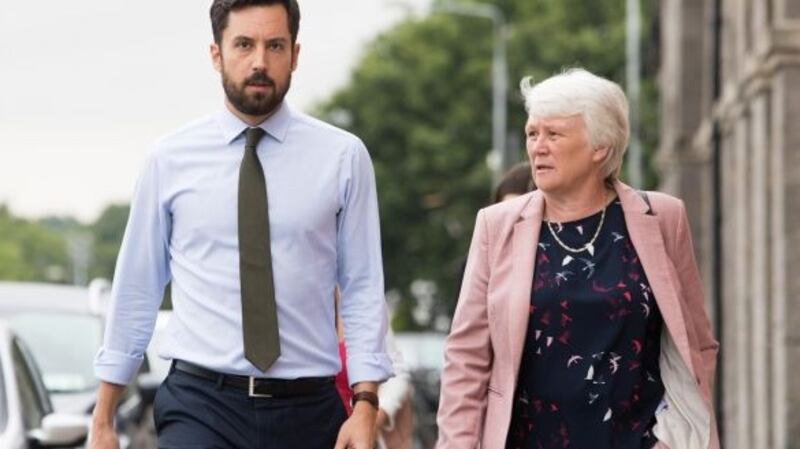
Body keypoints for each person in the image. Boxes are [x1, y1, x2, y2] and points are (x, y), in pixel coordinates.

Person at [89, 1, 392, 448]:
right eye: (244, 44)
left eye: (275, 46)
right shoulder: (170, 159)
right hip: (201, 404)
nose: (259, 62)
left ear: (295, 54)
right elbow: (138, 285)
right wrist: (103, 417)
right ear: (217, 54)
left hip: (308, 409)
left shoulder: (343, 158)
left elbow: (363, 286)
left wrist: (366, 403)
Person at [436, 68, 719, 449]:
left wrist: (671, 439)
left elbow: (697, 344)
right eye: (532, 134)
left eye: (554, 134)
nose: (537, 147)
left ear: (600, 147)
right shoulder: (496, 225)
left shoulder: (663, 218)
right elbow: (466, 359)